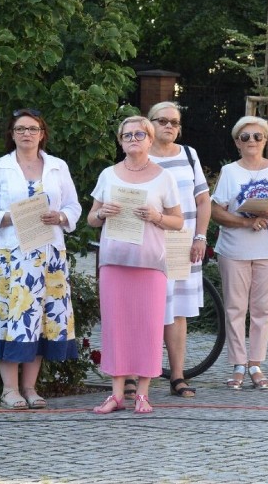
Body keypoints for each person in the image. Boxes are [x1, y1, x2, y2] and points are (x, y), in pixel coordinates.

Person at [0, 109, 82, 410]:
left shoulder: (58, 167)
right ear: (12, 134)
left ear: (42, 133)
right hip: (11, 256)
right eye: (20, 129)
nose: (26, 134)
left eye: (32, 129)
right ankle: (9, 389)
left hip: (48, 255)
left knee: (42, 320)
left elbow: (74, 206)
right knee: (10, 318)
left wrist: (60, 216)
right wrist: (9, 217)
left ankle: (30, 388)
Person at [88, 116, 184, 414]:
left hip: (149, 263)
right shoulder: (108, 174)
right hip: (114, 261)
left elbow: (178, 221)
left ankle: (142, 392)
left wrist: (156, 217)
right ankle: (116, 393)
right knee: (115, 326)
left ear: (150, 138)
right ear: (120, 141)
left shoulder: (163, 177)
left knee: (148, 326)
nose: (133, 139)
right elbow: (91, 219)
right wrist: (102, 212)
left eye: (139, 134)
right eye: (127, 135)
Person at [211, 116, 268, 390]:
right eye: (245, 137)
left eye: (257, 136)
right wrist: (246, 221)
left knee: (263, 310)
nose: (252, 141)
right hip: (234, 248)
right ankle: (237, 364)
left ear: (266, 139)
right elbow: (215, 211)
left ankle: (256, 363)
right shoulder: (230, 172)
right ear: (237, 142)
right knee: (235, 308)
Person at [146, 101, 211, 398]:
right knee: (146, 307)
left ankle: (177, 376)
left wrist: (201, 237)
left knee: (177, 311)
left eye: (174, 122)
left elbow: (202, 200)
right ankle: (137, 375)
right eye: (162, 121)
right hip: (149, 241)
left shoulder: (189, 154)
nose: (169, 126)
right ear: (150, 125)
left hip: (181, 240)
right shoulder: (140, 155)